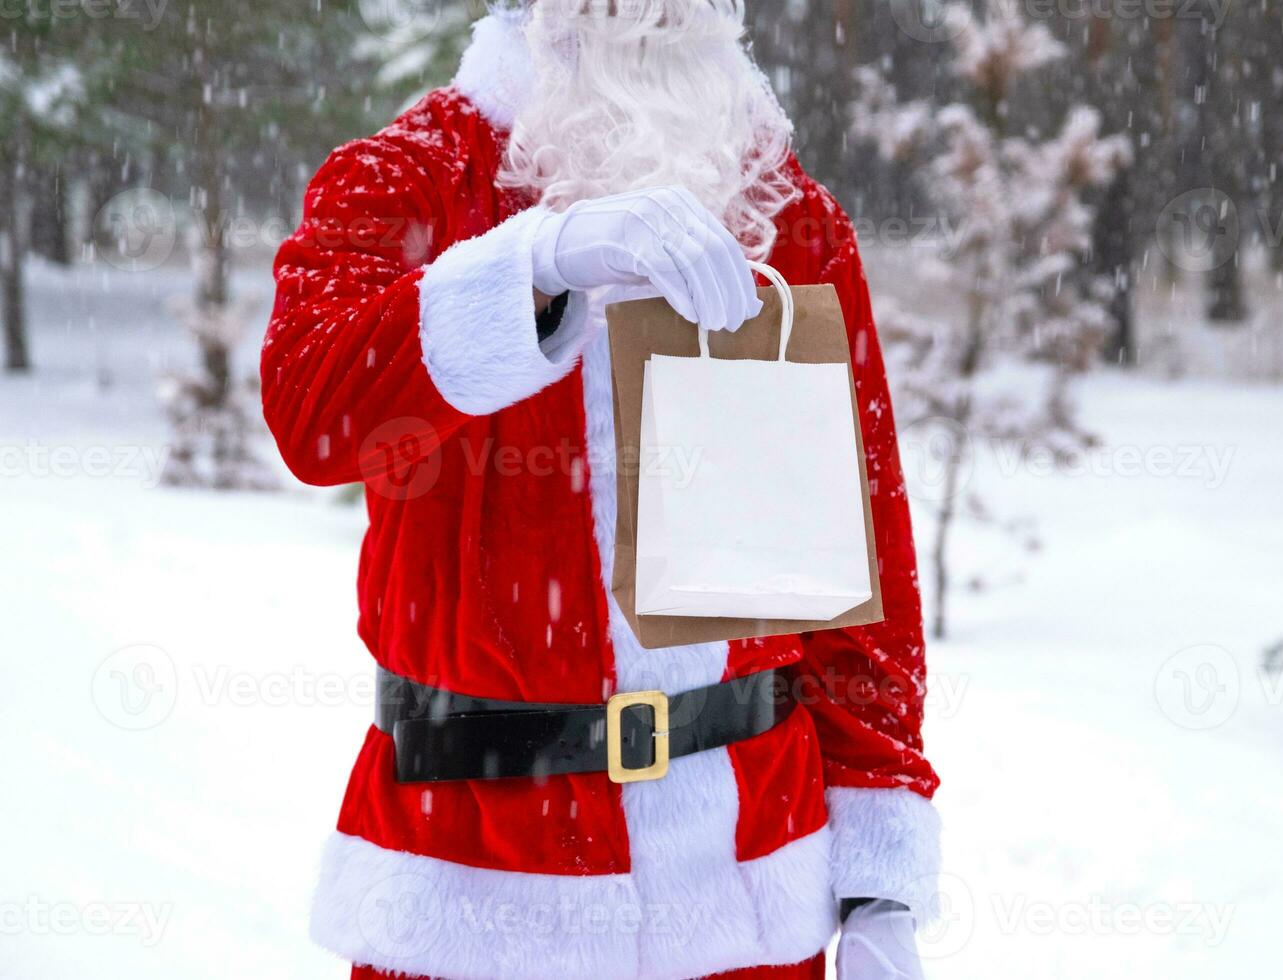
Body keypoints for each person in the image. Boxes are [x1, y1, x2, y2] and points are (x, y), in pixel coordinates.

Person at [261, 3, 939, 977]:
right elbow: (312, 408)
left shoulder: (780, 208)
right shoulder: (408, 174)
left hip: (752, 892)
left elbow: (860, 559)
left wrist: (882, 881)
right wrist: (537, 262)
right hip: (471, 887)